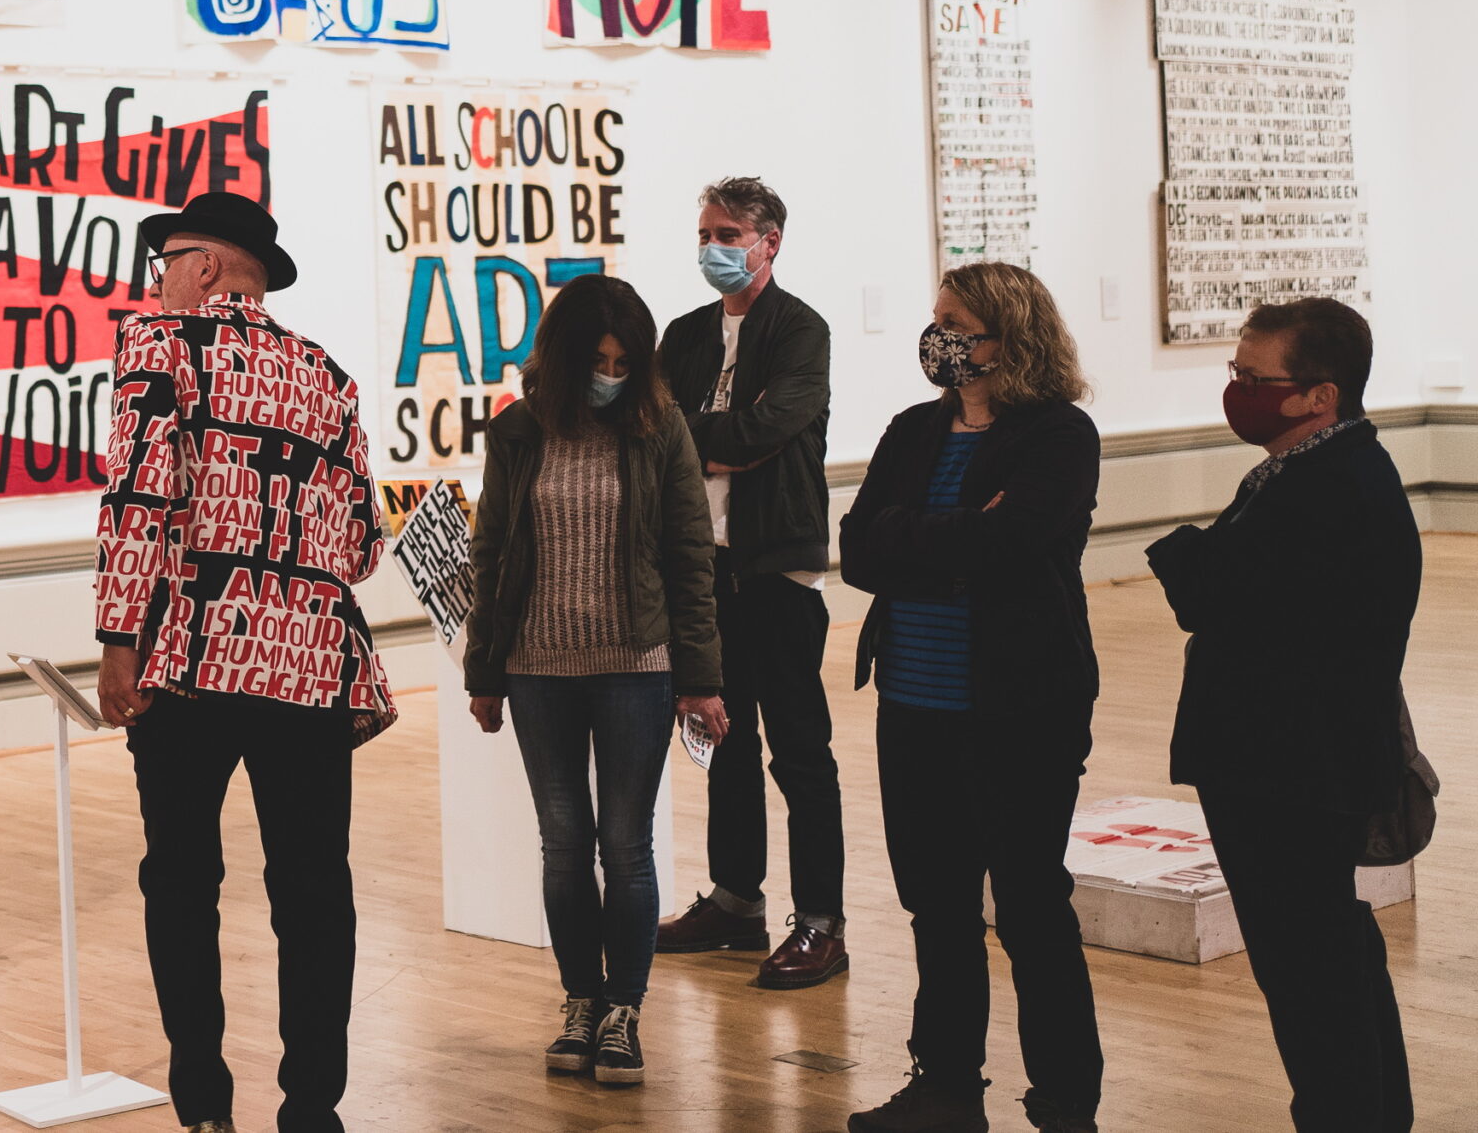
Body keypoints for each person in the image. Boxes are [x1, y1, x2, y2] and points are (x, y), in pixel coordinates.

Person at [94, 190, 394, 1133]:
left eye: (166, 263)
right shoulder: (329, 374)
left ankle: (206, 1110)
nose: (158, 283)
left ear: (207, 267)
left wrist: (116, 639)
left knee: (182, 882)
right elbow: (361, 541)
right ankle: (312, 1109)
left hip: (189, 663)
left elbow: (139, 496)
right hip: (308, 669)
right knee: (314, 892)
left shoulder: (160, 345)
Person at [839, 263, 1103, 1133]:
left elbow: (1016, 543)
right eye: (937, 319)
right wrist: (957, 535)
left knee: (1029, 903)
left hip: (1019, 707)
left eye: (957, 322)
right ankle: (946, 1086)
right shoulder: (914, 429)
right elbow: (859, 551)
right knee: (938, 906)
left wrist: (916, 537)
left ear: (1007, 338)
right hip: (913, 704)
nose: (939, 336)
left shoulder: (1059, 435)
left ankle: (1066, 1098)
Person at [1146, 298, 1419, 1133]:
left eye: (1253, 377)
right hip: (1289, 758)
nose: (1237, 390)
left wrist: (1190, 554)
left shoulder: (1330, 487)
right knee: (1328, 948)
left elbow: (1216, 591)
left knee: (1308, 966)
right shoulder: (1312, 472)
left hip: (1291, 767)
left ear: (1318, 396)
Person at [464, 274, 727, 1088]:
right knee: (564, 843)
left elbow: (690, 556)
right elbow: (491, 551)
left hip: (635, 668)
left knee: (627, 843)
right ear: (566, 357)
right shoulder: (517, 433)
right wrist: (484, 670)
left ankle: (624, 1011)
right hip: (539, 669)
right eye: (597, 358)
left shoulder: (659, 428)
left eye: (624, 359)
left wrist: (701, 678)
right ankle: (579, 1000)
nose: (610, 373)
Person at [653, 177, 844, 988]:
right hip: (705, 566)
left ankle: (822, 921)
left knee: (800, 752)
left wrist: (701, 438)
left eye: (729, 232)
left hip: (776, 565)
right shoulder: (686, 334)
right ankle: (736, 900)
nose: (713, 247)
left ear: (770, 242)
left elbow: (770, 427)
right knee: (722, 741)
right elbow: (652, 432)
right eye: (704, 232)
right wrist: (713, 441)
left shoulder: (801, 330)